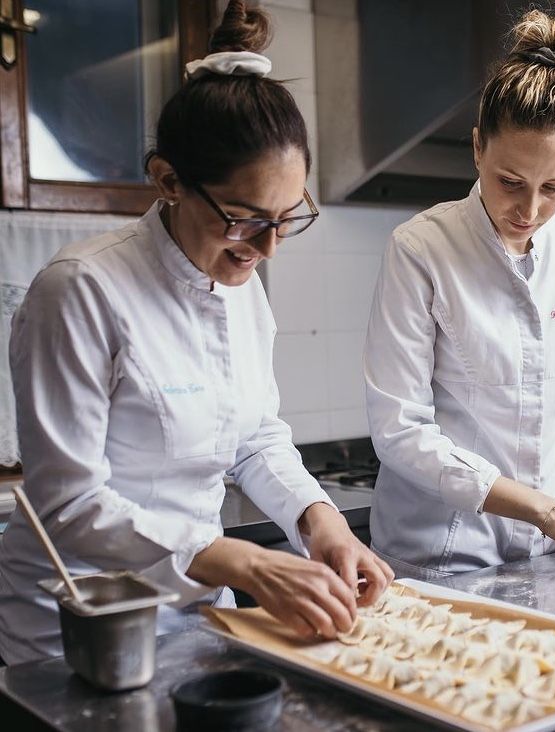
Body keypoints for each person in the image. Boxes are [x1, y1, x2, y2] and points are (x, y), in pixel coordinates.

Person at [0, 0, 392, 665]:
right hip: (76, 623)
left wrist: (317, 518)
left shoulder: (241, 289)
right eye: (243, 218)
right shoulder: (82, 290)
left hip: (197, 614)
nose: (267, 248)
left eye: (286, 217)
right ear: (168, 181)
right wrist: (242, 561)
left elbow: (255, 437)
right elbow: (67, 502)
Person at [364, 8, 555, 582]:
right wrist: (546, 511)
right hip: (443, 551)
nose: (530, 210)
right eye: (510, 182)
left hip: (554, 553)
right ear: (477, 149)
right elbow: (400, 429)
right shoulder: (421, 248)